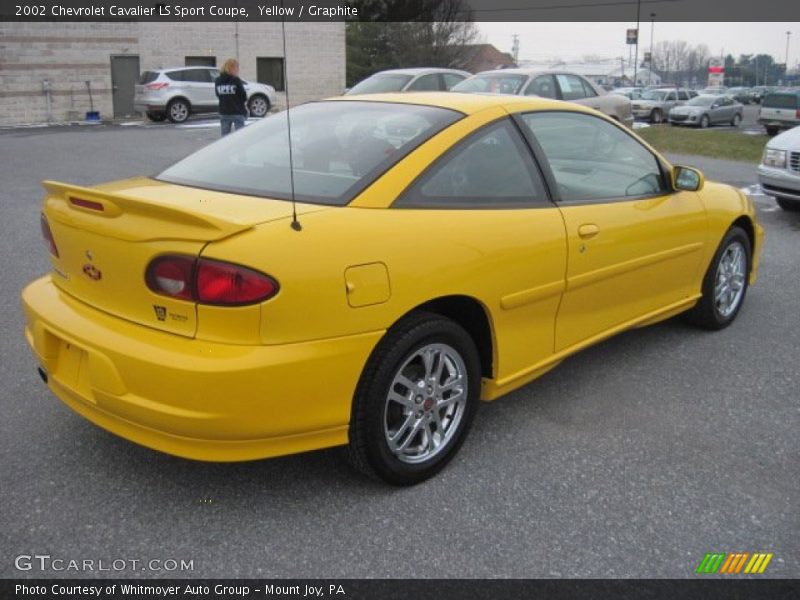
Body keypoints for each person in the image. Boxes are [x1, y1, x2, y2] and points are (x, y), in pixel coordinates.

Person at [215, 58, 248, 136]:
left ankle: (226, 148)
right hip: (237, 111)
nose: (238, 70)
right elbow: (243, 95)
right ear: (232, 68)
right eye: (237, 68)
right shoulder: (235, 80)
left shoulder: (218, 80)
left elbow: (218, 94)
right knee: (240, 136)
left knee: (225, 137)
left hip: (224, 111)